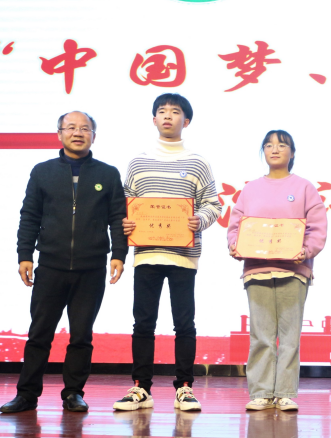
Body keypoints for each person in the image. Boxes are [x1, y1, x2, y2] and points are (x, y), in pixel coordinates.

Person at [1, 111, 127, 414]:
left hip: (91, 267)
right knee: (39, 333)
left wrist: (119, 254)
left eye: (85, 128)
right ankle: (27, 395)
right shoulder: (42, 172)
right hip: (51, 265)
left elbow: (118, 218)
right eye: (71, 127)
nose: (78, 133)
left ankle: (73, 393)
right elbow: (29, 215)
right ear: (59, 134)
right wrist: (24, 255)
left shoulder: (108, 174)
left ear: (94, 136)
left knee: (81, 335)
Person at [114, 94, 221, 412]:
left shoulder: (198, 162)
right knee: (143, 323)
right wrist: (126, 222)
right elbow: (125, 204)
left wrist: (199, 219)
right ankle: (141, 387)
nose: (168, 116)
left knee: (184, 323)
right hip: (147, 254)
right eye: (162, 111)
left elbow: (213, 204)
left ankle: (185, 387)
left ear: (186, 121)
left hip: (183, 256)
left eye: (175, 112)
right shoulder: (138, 162)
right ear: (154, 119)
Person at [227, 130, 327, 411]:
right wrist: (235, 245)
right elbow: (236, 225)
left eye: (282, 145)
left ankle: (284, 393)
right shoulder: (250, 189)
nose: (275, 149)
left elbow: (317, 227)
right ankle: (260, 392)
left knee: (290, 336)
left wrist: (306, 251)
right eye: (269, 145)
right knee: (261, 335)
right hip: (257, 270)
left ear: (292, 153)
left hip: (293, 271)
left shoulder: (305, 188)